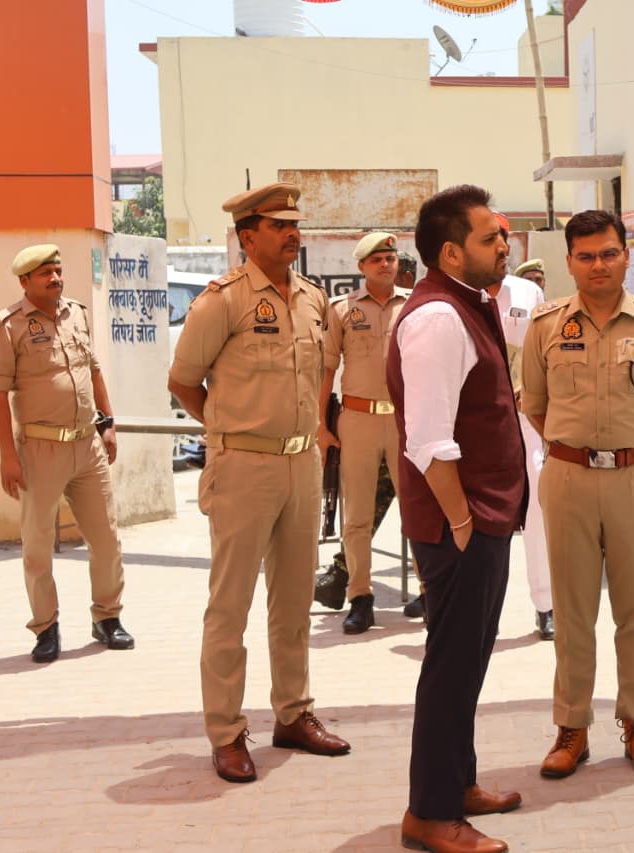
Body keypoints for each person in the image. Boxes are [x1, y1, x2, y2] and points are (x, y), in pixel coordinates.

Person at [168, 182, 350, 784]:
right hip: (243, 467)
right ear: (248, 237)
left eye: (295, 224)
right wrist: (229, 428)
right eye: (279, 225)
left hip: (302, 464)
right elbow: (183, 381)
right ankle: (225, 731)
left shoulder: (313, 300)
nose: (292, 233)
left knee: (293, 600)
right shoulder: (221, 302)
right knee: (231, 604)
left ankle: (293, 714)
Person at [521, 209, 634, 780]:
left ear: (626, 256)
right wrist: (580, 450)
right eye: (587, 256)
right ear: (569, 261)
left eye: (609, 253)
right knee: (571, 612)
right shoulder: (545, 325)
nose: (599, 265)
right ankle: (571, 728)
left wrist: (623, 450)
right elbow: (534, 405)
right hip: (567, 477)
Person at [387, 184, 526, 853]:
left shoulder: (465, 305)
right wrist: (464, 523)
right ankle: (431, 813)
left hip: (480, 517)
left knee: (466, 662)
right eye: (489, 237)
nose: (504, 244)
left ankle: (459, 783)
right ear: (450, 252)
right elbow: (426, 439)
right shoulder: (439, 317)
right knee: (450, 667)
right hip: (460, 524)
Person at [0, 244, 133, 664]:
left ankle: (108, 617)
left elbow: (93, 371)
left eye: (57, 270)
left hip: (87, 445)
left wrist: (108, 424)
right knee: (37, 545)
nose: (55, 278)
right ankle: (45, 628)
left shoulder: (77, 314)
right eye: (45, 273)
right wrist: (7, 456)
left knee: (106, 538)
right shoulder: (6, 326)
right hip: (40, 449)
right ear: (25, 282)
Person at [313, 232, 412, 634]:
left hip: (404, 421)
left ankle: (430, 592)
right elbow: (326, 369)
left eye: (390, 258)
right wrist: (321, 426)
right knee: (356, 515)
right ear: (362, 267)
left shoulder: (414, 305)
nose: (385, 265)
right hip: (357, 418)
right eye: (376, 260)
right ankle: (360, 596)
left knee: (417, 511)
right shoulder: (342, 309)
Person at [490, 216, 553, 640]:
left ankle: (545, 604)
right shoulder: (457, 296)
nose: (500, 247)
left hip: (525, 417)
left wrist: (530, 389)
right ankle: (481, 608)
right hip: (476, 422)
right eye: (489, 239)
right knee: (485, 512)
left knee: (538, 506)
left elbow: (544, 353)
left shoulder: (528, 293)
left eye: (502, 238)